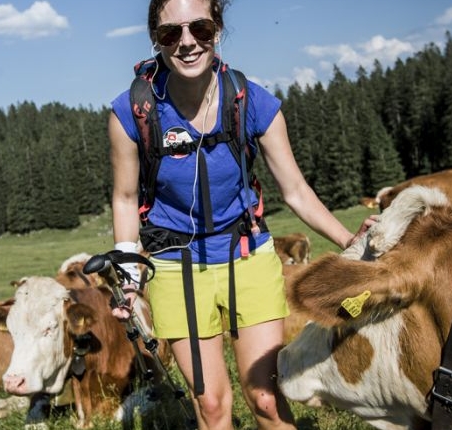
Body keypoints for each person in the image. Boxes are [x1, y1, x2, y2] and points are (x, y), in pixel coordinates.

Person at [107, 1, 373, 429]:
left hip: (247, 255)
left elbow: (296, 191)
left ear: (218, 28)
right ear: (156, 38)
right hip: (175, 266)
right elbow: (124, 197)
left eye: (201, 27)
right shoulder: (133, 111)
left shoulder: (250, 100)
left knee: (266, 399)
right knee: (212, 407)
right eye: (171, 33)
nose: (188, 42)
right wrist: (129, 271)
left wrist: (350, 241)